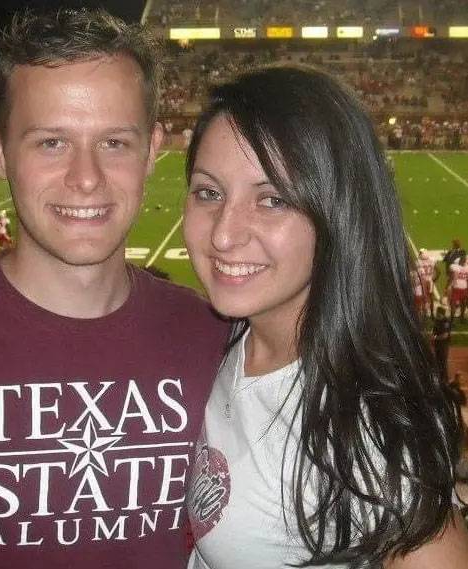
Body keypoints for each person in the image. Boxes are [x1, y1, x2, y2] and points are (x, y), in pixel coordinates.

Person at [0, 8, 228, 569]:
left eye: (115, 143)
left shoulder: (217, 340)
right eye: (52, 142)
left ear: (153, 148)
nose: (86, 177)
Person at [183, 66, 468, 569]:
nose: (224, 235)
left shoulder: (366, 425)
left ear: (339, 212)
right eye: (209, 192)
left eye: (272, 200)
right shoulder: (230, 338)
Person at [416, 248, 439, 318]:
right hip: (430, 281)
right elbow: (439, 272)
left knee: (423, 297)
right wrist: (434, 279)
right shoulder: (432, 261)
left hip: (423, 282)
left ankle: (424, 313)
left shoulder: (418, 262)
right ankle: (432, 314)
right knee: (431, 298)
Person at [432, 306, 453, 383]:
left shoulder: (446, 322)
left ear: (442, 314)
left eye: (438, 313)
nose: (437, 314)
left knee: (443, 361)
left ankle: (446, 380)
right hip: (437, 344)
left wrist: (435, 338)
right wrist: (433, 336)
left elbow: (445, 335)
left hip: (443, 345)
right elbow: (434, 331)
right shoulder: (437, 320)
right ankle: (440, 378)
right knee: (438, 361)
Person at [448, 255, 468, 320]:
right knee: (463, 303)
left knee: (454, 303)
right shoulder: (467, 268)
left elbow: (450, 272)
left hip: (456, 287)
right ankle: (461, 317)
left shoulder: (455, 267)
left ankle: (452, 319)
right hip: (464, 287)